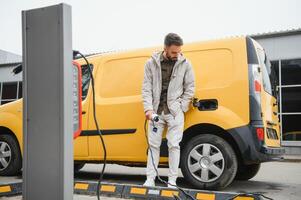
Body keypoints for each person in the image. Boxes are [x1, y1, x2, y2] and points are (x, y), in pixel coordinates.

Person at [141, 33, 195, 188]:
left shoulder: (185, 64)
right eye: (173, 52)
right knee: (153, 146)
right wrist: (148, 110)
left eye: (178, 52)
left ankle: (172, 181)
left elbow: (190, 88)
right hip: (156, 113)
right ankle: (150, 179)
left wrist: (182, 107)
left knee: (174, 145)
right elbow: (146, 89)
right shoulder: (150, 63)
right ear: (165, 48)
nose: (176, 55)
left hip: (175, 112)